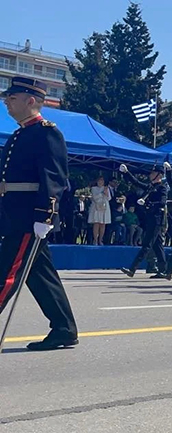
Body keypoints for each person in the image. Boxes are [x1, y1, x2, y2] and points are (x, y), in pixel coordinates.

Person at [0, 76, 78, 350]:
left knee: (5, 273)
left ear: (30, 100)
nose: (6, 102)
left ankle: (64, 328)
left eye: (12, 98)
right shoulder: (21, 133)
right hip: (14, 214)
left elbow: (54, 178)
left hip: (27, 218)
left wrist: (44, 216)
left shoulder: (47, 133)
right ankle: (64, 328)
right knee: (41, 276)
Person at [119, 162, 169, 278]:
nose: (151, 175)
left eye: (154, 173)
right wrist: (126, 173)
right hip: (151, 218)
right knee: (157, 245)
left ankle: (132, 269)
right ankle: (163, 270)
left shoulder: (162, 187)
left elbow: (162, 202)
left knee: (147, 244)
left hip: (157, 219)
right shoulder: (151, 186)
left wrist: (149, 203)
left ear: (159, 175)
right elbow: (136, 182)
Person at [88, 176, 111, 245]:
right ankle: (95, 240)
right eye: (99, 181)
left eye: (102, 181)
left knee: (103, 224)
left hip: (104, 207)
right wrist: (101, 194)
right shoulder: (93, 189)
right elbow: (94, 198)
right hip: (96, 207)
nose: (100, 182)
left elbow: (109, 198)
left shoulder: (106, 188)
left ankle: (100, 240)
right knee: (96, 223)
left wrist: (106, 193)